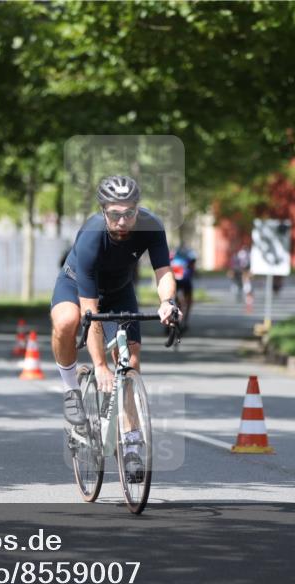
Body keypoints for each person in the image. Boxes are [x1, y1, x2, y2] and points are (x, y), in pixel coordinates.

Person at [50, 175, 179, 482]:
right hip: (77, 286)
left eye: (129, 213)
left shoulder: (152, 226)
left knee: (131, 362)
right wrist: (98, 364)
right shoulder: (93, 236)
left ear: (138, 209)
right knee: (68, 321)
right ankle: (71, 389)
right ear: (103, 210)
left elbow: (163, 271)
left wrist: (168, 302)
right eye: (115, 214)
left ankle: (132, 441)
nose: (123, 221)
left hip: (120, 289)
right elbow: (90, 312)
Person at [170, 244, 197, 331]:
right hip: (185, 281)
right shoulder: (190, 255)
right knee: (187, 301)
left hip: (176, 281)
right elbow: (193, 266)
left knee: (176, 301)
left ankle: (172, 322)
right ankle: (184, 321)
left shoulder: (173, 256)